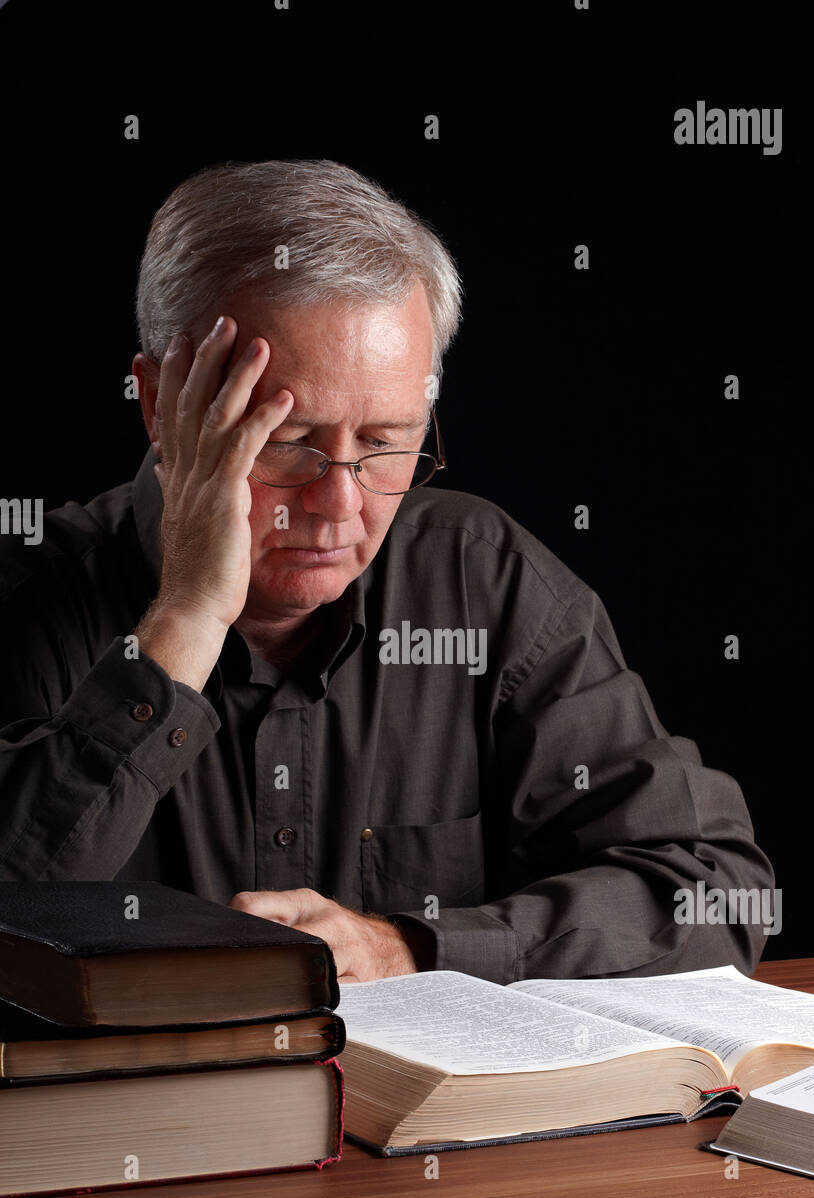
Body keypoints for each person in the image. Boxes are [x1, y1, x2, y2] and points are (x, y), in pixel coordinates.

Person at [0, 159, 774, 983]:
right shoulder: (27, 596)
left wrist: (409, 948)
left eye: (383, 442)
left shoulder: (485, 582)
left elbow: (716, 892)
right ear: (160, 405)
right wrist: (185, 620)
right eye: (288, 442)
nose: (339, 505)